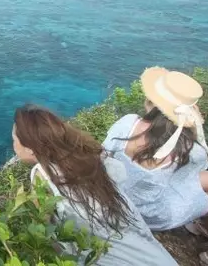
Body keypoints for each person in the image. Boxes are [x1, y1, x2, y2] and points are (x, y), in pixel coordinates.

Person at [103, 67, 208, 266]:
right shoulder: (187, 146)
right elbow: (201, 165)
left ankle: (200, 222)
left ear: (150, 102)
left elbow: (105, 151)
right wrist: (191, 131)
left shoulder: (128, 123)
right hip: (151, 213)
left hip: (117, 196)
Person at [12, 104, 177, 266]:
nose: (14, 146)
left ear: (30, 149)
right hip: (132, 237)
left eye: (14, 140)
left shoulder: (42, 173)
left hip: (99, 251)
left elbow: (40, 228)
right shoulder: (86, 152)